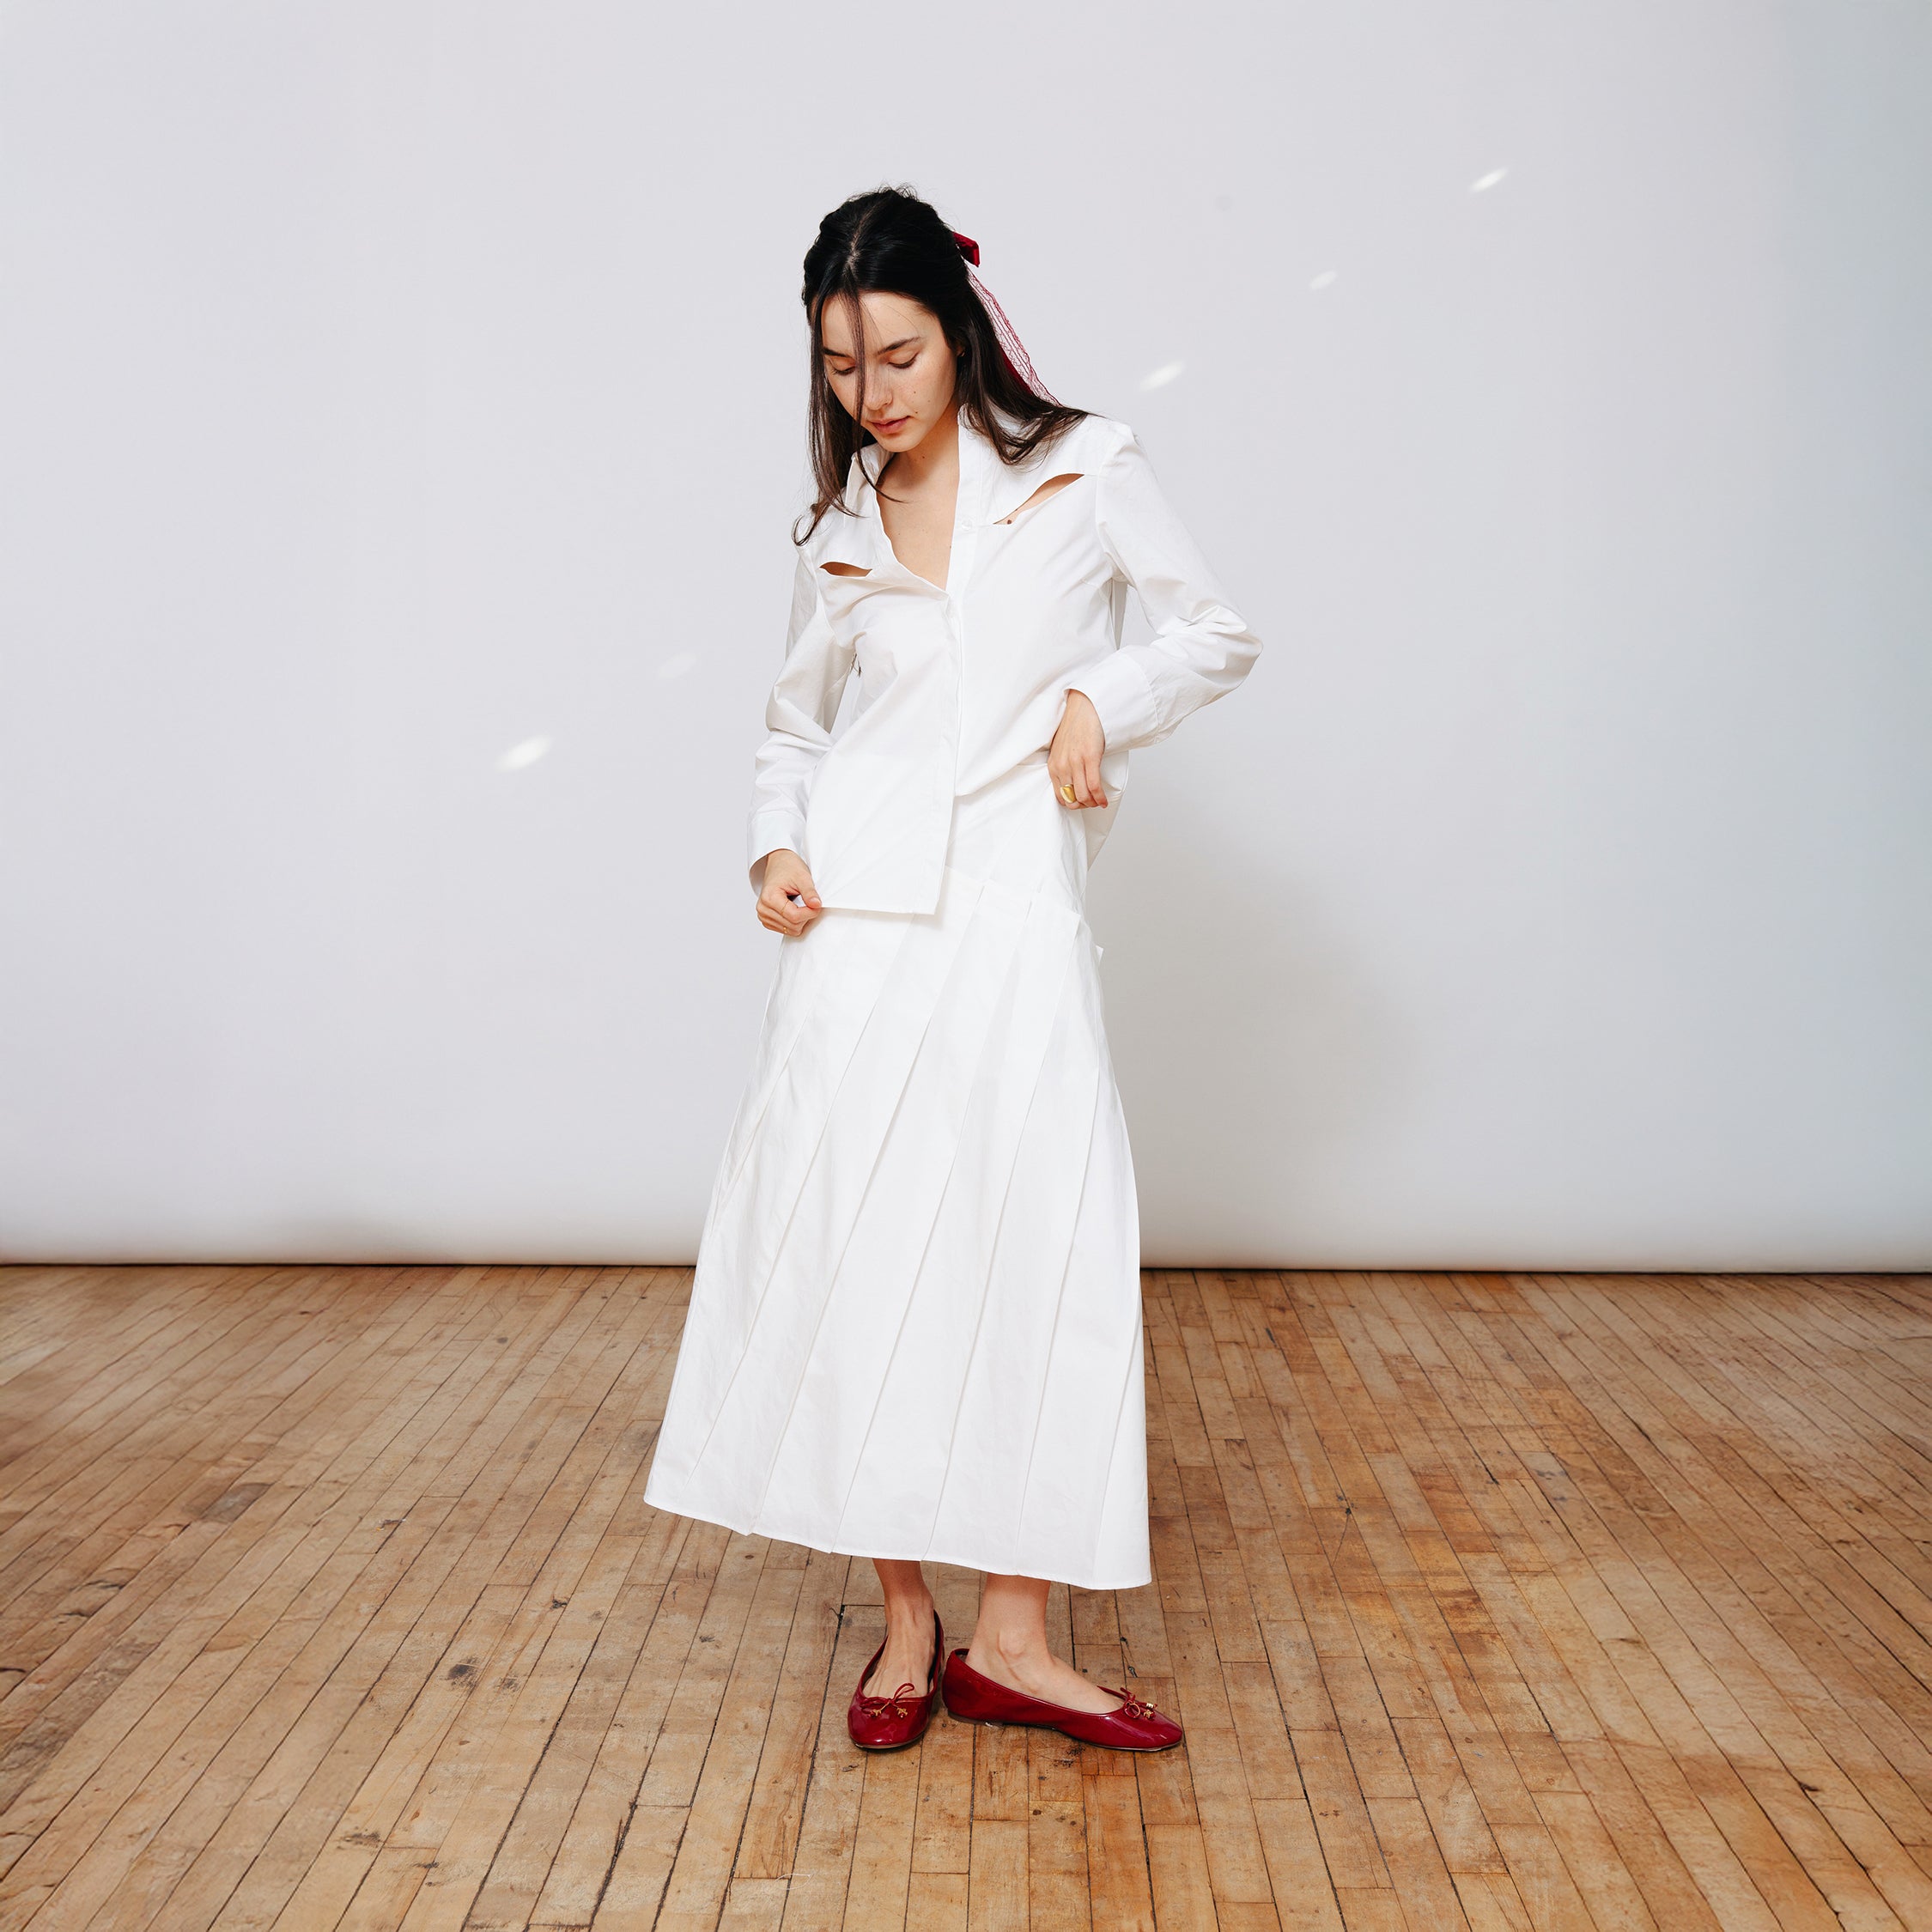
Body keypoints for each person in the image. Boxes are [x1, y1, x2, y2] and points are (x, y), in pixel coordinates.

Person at [643, 185, 1261, 1753]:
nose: (878, 394)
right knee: (856, 1248)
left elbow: (1212, 633)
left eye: (900, 353)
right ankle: (910, 1625)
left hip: (1007, 916)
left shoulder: (1082, 467)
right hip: (850, 927)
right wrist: (772, 847)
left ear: (960, 327)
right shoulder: (835, 529)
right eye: (844, 366)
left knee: (1027, 1238)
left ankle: (1017, 1638)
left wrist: (1097, 704)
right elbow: (793, 730)